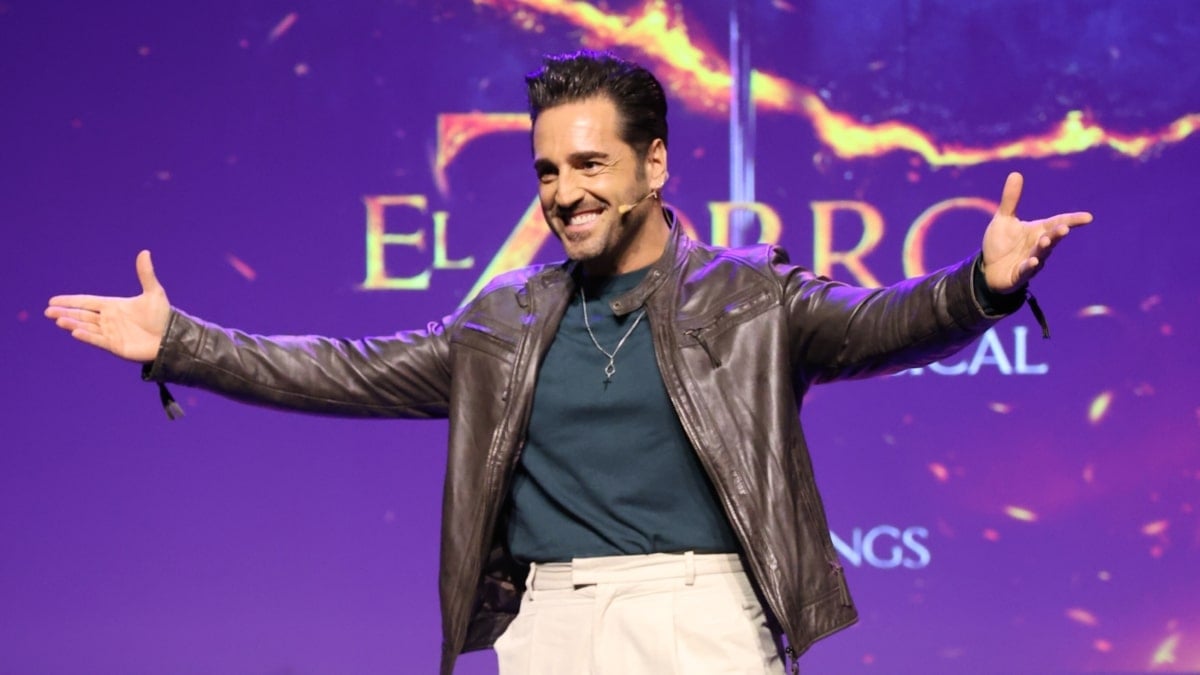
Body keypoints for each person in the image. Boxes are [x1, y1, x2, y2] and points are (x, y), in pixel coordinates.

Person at [45, 51, 1092, 674]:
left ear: (654, 164)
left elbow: (884, 326)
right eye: (548, 168)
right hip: (548, 625)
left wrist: (984, 286)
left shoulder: (750, 295)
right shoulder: (502, 322)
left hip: (705, 619)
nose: (564, 189)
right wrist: (181, 342)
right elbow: (344, 371)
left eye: (590, 162)